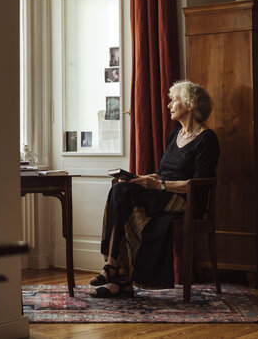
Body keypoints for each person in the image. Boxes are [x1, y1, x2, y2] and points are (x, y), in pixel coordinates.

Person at [89, 80, 220, 298]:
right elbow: (162, 171)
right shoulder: (174, 135)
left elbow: (199, 184)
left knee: (122, 194)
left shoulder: (207, 139)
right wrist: (141, 179)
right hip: (161, 193)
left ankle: (115, 271)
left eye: (174, 100)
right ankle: (119, 275)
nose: (169, 105)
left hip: (184, 200)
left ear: (190, 105)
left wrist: (159, 185)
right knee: (121, 188)